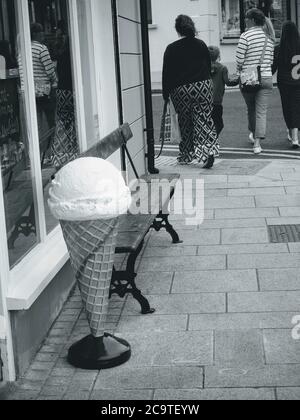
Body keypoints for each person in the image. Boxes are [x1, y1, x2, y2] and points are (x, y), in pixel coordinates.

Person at [162, 15, 218, 169]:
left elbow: (167, 73)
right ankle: (208, 152)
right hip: (203, 86)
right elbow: (208, 66)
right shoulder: (201, 44)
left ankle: (186, 154)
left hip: (182, 90)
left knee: (185, 121)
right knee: (204, 119)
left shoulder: (171, 48)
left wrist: (165, 93)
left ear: (178, 30)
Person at [236, 8, 274, 154]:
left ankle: (253, 134)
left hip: (249, 77)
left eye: (246, 19)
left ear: (252, 20)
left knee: (251, 108)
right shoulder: (269, 37)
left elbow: (239, 59)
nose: (245, 21)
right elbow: (270, 60)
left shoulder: (245, 36)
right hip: (266, 77)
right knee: (261, 111)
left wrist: (241, 67)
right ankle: (257, 144)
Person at [272, 21, 300, 149]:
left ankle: (291, 132)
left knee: (287, 107)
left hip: (283, 82)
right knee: (296, 107)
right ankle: (295, 136)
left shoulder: (279, 48)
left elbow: (273, 67)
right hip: (298, 81)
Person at [30, 23, 58, 133]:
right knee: (50, 121)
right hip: (44, 91)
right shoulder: (42, 48)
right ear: (35, 34)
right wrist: (55, 80)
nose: (43, 34)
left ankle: (40, 147)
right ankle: (50, 148)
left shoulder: (25, 49)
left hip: (30, 91)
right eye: (41, 31)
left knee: (36, 123)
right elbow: (50, 70)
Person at [209, 46, 239, 136]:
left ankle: (207, 139)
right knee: (219, 124)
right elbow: (228, 82)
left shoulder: (204, 67)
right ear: (219, 56)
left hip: (205, 100)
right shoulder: (222, 68)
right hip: (217, 102)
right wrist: (239, 79)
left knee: (208, 123)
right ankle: (212, 139)